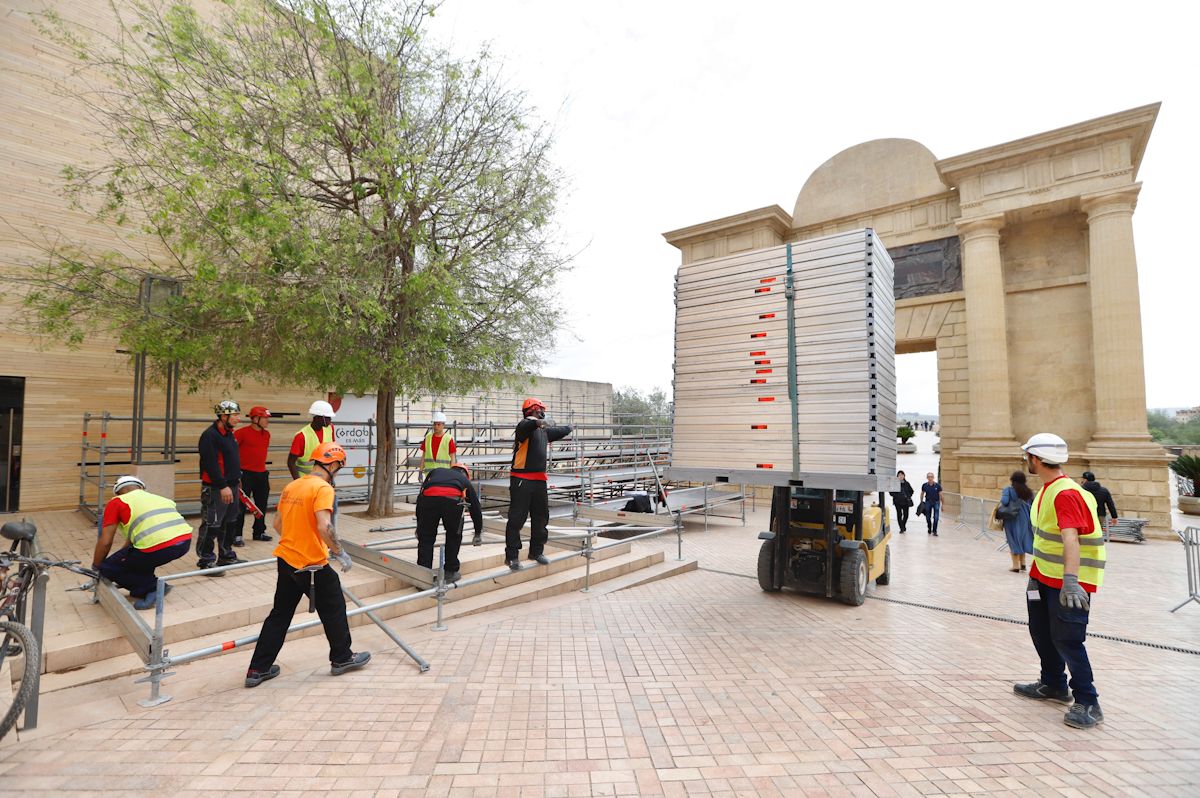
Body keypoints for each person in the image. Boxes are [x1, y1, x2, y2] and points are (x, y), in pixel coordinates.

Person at [244, 442, 370, 687]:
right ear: (332, 464)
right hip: (312, 564)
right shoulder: (323, 489)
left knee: (279, 615)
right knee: (334, 608)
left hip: (286, 560)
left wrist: (297, 538)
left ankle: (258, 669)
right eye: (339, 468)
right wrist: (339, 551)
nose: (338, 472)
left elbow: (278, 524)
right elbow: (324, 526)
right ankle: (342, 657)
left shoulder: (293, 485)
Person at [1013, 432, 1107, 729]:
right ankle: (1053, 683)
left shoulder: (1066, 493)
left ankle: (1088, 702)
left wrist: (1070, 580)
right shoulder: (1047, 490)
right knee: (1041, 631)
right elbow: (1048, 540)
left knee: (1068, 639)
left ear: (1036, 459)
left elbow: (1071, 539)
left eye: (1027, 457)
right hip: (1044, 577)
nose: (1025, 461)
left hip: (1071, 583)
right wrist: (1035, 577)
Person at [91, 476, 192, 609]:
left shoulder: (116, 502)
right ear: (141, 487)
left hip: (157, 548)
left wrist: (97, 566)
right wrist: (123, 556)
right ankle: (149, 585)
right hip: (184, 543)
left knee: (108, 568)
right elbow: (133, 540)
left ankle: (153, 588)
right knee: (136, 558)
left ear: (118, 492)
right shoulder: (160, 498)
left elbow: (105, 542)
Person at [504, 397, 573, 571]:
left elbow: (558, 431)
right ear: (534, 410)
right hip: (521, 479)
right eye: (540, 409)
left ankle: (536, 551)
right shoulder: (524, 427)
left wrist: (569, 427)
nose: (543, 412)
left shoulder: (543, 431)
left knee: (541, 517)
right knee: (516, 519)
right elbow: (527, 426)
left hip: (539, 480)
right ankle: (512, 557)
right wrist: (540, 422)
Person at [196, 400, 244, 572]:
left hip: (231, 485)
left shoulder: (229, 434)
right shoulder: (210, 436)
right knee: (212, 523)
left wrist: (236, 481)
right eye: (235, 415)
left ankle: (226, 556)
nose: (238, 418)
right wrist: (223, 485)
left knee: (230, 522)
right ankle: (206, 560)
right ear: (224, 416)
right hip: (216, 488)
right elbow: (211, 464)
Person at [415, 463, 483, 582]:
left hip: (429, 499)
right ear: (466, 474)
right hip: (452, 502)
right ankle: (450, 571)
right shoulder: (464, 480)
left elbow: (421, 497)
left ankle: (422, 576)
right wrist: (478, 532)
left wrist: (419, 526)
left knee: (426, 538)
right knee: (453, 535)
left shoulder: (436, 472)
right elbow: (475, 509)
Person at [234, 405, 274, 545]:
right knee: (240, 506)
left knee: (261, 505)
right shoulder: (241, 433)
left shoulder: (267, 435)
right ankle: (236, 535)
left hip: (261, 474)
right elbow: (231, 453)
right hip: (244, 474)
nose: (267, 421)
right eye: (265, 418)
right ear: (256, 419)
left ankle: (259, 532)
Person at [288, 400, 337, 479]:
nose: (330, 420)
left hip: (325, 479)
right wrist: (298, 482)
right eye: (327, 417)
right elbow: (290, 462)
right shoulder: (301, 436)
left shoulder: (330, 428)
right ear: (317, 417)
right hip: (306, 480)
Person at [1000, 471, 1035, 572]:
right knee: (1022, 539)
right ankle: (1023, 564)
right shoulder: (1028, 491)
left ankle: (1016, 565)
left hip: (1012, 518)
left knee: (1013, 539)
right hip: (1026, 518)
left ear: (1012, 480)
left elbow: (1004, 501)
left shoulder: (1009, 490)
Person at [420, 410, 457, 476]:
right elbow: (423, 456)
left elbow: (453, 458)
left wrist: (452, 473)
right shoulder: (428, 438)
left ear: (443, 425)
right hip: (429, 475)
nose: (436, 426)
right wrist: (420, 471)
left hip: (444, 475)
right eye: (435, 424)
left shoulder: (448, 439)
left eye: (438, 424)